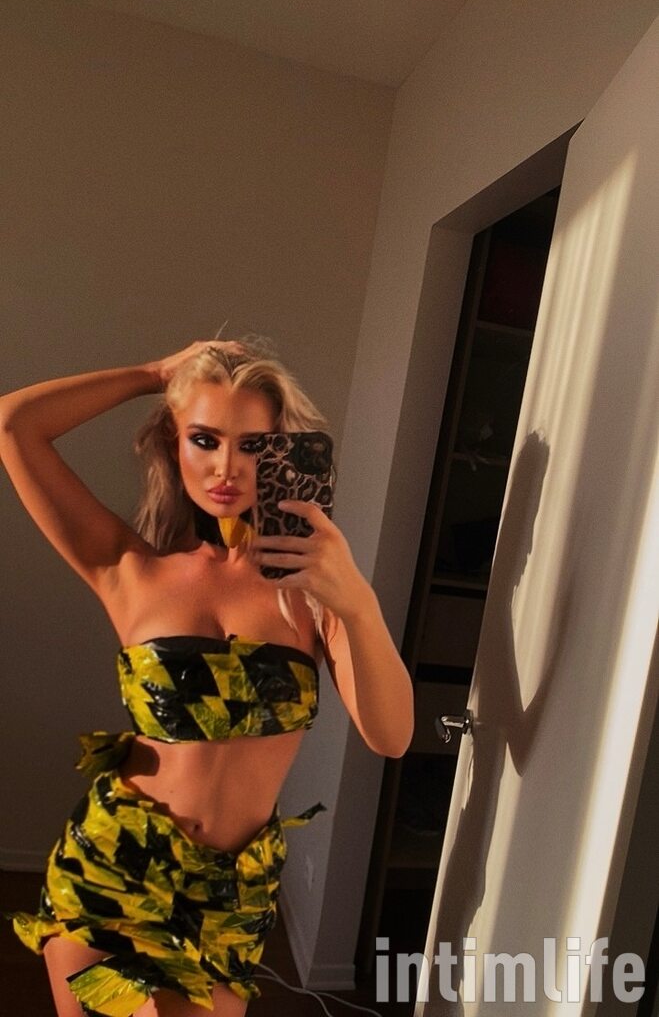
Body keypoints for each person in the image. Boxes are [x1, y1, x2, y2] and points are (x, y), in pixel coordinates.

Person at [0, 338, 414, 1017]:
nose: (226, 467)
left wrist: (357, 604)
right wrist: (155, 373)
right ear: (174, 443)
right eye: (204, 439)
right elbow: (14, 424)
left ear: (280, 453)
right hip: (114, 867)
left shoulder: (310, 592)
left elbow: (391, 736)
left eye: (251, 445)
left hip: (228, 894)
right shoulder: (129, 569)